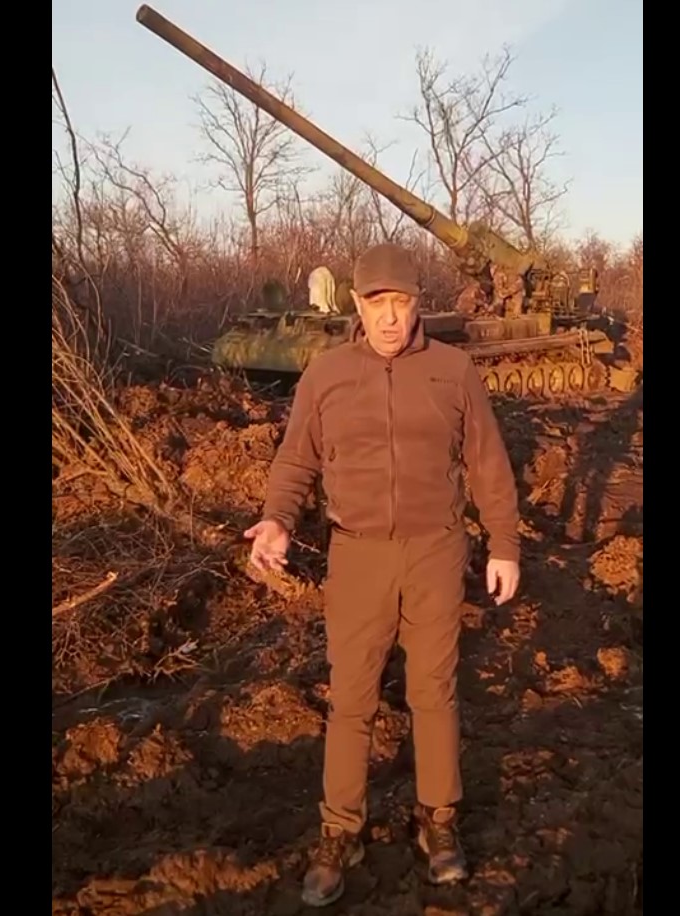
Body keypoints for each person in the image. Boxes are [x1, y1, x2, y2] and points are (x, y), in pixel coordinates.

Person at [244, 241, 521, 908]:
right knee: (351, 698)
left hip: (435, 550)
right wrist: (277, 519)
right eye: (377, 303)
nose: (390, 317)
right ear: (356, 305)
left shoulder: (453, 371)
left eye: (401, 302)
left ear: (417, 303)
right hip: (358, 554)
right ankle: (340, 832)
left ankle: (438, 823)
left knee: (433, 690)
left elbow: (487, 462)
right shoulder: (327, 374)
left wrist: (505, 545)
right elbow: (296, 460)